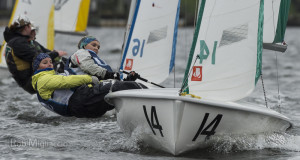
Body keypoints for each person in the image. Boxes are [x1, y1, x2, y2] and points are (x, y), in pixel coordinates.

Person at [32, 53, 146, 118]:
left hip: (81, 109)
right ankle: (146, 96)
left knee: (115, 96)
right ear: (37, 67)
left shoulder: (47, 79)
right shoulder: (42, 80)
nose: (49, 64)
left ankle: (130, 85)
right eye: (45, 62)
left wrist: (126, 81)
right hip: (79, 101)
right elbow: (66, 81)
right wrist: (89, 78)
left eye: (50, 61)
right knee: (114, 87)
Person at [3, 15, 67, 94]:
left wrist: (57, 55)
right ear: (26, 28)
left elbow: (45, 53)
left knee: (62, 61)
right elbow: (39, 58)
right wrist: (56, 53)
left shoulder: (20, 41)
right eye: (31, 28)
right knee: (57, 65)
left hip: (32, 77)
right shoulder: (18, 43)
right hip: (30, 81)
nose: (34, 33)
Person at [66, 36, 139, 81]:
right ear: (84, 46)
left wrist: (128, 79)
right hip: (84, 90)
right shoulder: (81, 52)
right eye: (93, 45)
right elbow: (88, 66)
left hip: (98, 86)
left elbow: (109, 76)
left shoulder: (99, 60)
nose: (96, 48)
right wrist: (109, 74)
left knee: (128, 84)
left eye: (98, 47)